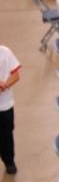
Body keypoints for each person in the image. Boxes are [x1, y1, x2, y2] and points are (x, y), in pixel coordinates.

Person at [0, 44, 21, 174]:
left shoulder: (5, 52)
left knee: (6, 135)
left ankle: (9, 162)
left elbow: (16, 75)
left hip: (5, 104)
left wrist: (4, 86)